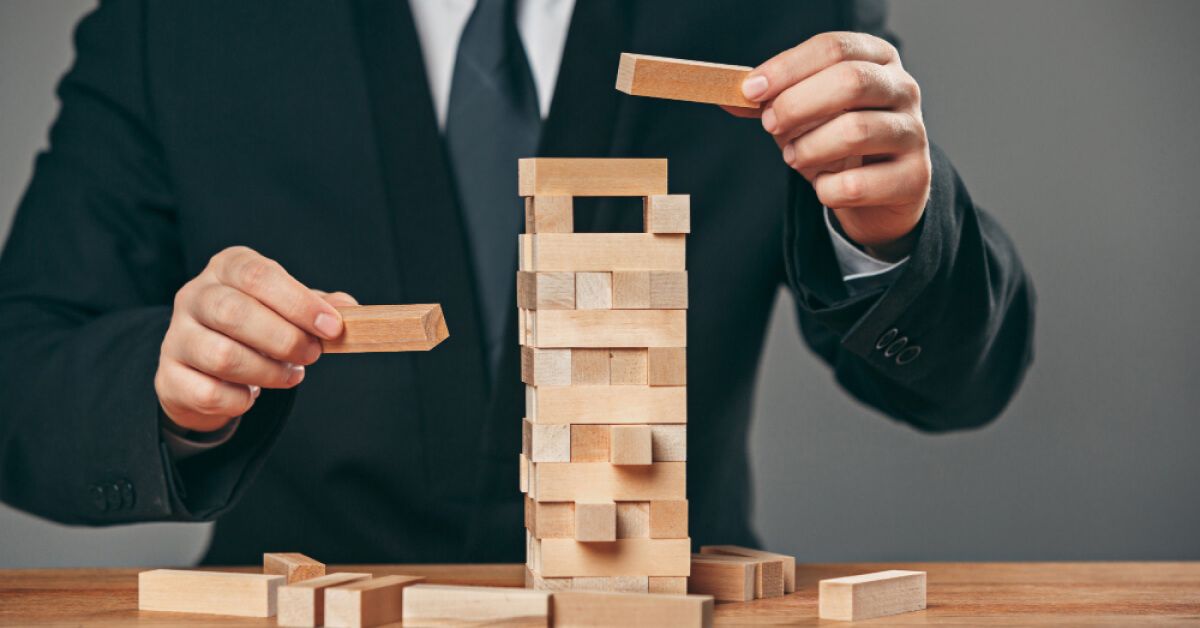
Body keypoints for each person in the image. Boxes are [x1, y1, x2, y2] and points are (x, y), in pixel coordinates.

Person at [0, 0, 1033, 564]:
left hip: (660, 598)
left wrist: (894, 229)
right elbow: (20, 368)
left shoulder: (770, 9)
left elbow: (957, 382)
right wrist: (174, 393)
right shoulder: (177, 20)